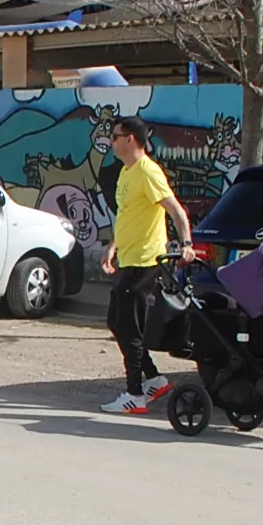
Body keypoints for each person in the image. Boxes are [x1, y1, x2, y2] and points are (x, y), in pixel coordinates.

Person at [98, 117, 195, 415]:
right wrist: (112, 246)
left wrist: (186, 243)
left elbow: (176, 210)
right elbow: (128, 215)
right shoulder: (126, 173)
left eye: (115, 136)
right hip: (127, 259)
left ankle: (135, 395)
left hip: (144, 261)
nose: (111, 141)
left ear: (130, 139)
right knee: (116, 322)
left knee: (130, 328)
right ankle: (153, 379)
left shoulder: (148, 172)